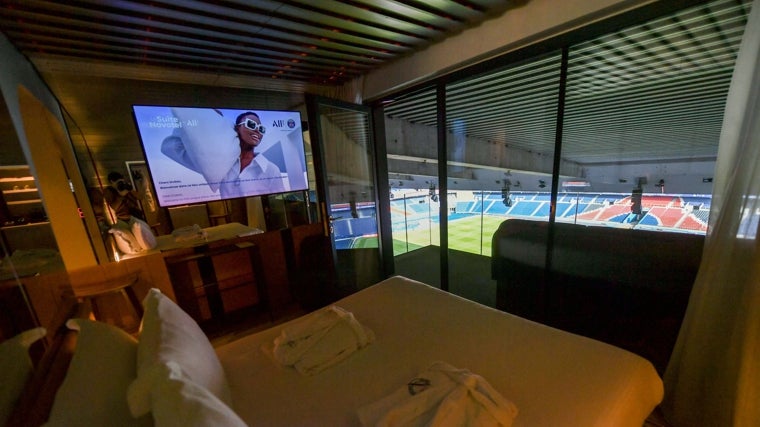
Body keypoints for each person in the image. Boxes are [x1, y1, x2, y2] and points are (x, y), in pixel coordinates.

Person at [161, 111, 287, 198]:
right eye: (251, 124)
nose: (257, 131)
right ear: (237, 128)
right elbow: (171, 147)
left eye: (261, 129)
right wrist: (197, 122)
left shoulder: (271, 170)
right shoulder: (219, 162)